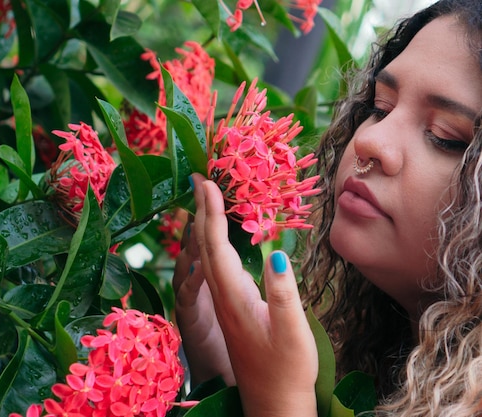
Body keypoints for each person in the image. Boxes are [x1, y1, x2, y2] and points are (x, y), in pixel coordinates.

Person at [172, 0, 482, 415]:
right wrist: (227, 373)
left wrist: (279, 401)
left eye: (445, 136)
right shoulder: (372, 363)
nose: (370, 142)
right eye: (379, 107)